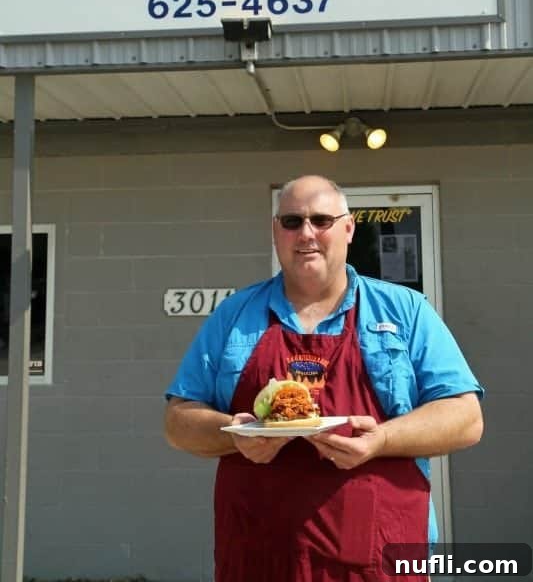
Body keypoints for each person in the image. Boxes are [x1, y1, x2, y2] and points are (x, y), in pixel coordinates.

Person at [165, 175, 483, 582]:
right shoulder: (234, 315)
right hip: (259, 559)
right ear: (276, 231)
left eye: (321, 220)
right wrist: (234, 436)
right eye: (292, 221)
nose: (306, 234)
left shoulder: (406, 311)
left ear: (349, 228)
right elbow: (178, 422)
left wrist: (382, 439)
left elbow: (466, 417)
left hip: (380, 559)